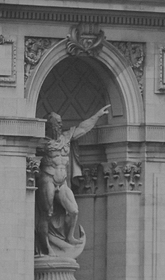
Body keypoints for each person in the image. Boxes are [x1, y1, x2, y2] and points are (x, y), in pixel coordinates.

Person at [36, 105, 110, 255]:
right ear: (49, 125)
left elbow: (83, 128)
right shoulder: (42, 143)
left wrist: (96, 116)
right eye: (57, 123)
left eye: (60, 122)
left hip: (62, 182)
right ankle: (47, 248)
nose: (60, 125)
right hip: (47, 179)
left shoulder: (66, 138)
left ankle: (69, 236)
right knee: (47, 213)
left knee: (74, 211)